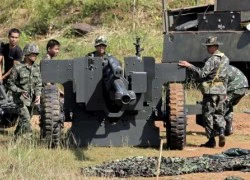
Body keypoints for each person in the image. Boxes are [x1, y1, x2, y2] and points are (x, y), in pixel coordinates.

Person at [178, 36, 229, 148]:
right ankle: (221, 132)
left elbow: (202, 74)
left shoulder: (212, 60)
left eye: (209, 46)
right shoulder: (225, 58)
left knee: (208, 115)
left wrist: (189, 65)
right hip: (222, 90)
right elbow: (225, 76)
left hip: (211, 91)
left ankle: (211, 140)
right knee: (219, 113)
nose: (207, 48)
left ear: (215, 46)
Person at [7, 43, 42, 137]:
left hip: (31, 100)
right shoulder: (17, 67)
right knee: (26, 120)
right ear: (26, 54)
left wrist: (38, 95)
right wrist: (20, 91)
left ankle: (15, 139)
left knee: (24, 120)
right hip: (20, 99)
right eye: (33, 54)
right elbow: (9, 83)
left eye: (36, 54)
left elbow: (39, 83)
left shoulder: (36, 68)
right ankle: (29, 142)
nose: (35, 56)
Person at [224, 65, 248, 136]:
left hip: (235, 88)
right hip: (244, 87)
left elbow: (223, 82)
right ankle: (229, 128)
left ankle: (219, 129)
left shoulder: (220, 69)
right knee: (228, 105)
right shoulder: (224, 66)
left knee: (221, 105)